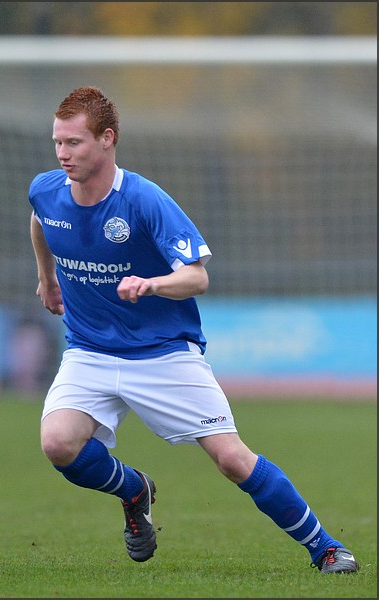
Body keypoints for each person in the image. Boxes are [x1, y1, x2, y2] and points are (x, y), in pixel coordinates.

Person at [27, 86, 359, 574]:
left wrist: (153, 283)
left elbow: (198, 276)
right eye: (57, 142)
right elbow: (40, 221)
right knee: (57, 443)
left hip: (163, 354)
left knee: (231, 459)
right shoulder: (46, 188)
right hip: (90, 352)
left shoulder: (144, 200)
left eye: (74, 143)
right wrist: (46, 276)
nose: (62, 153)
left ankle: (325, 547)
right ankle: (133, 490)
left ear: (107, 139)